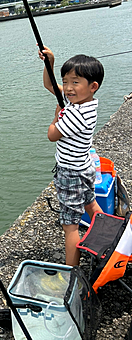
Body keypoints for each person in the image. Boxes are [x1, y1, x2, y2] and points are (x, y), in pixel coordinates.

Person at [39, 46, 105, 266]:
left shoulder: (75, 114)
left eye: (75, 82)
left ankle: (72, 272)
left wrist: (56, 116)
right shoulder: (86, 103)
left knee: (70, 226)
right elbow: (49, 85)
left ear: (92, 86)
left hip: (70, 172)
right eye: (65, 81)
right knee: (91, 204)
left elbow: (52, 135)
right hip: (84, 166)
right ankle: (105, 239)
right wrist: (50, 62)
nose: (67, 88)